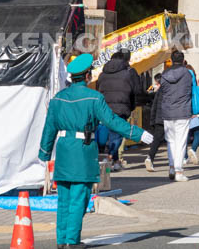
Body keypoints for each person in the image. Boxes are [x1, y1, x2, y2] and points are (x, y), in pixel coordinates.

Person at [39, 54, 153, 248]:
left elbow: (49, 128)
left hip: (64, 149)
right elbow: (112, 121)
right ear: (87, 76)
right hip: (82, 151)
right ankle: (72, 241)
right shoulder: (94, 97)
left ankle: (62, 240)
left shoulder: (58, 98)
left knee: (64, 198)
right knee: (79, 198)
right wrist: (137, 133)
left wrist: (44, 153)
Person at [95, 49, 143, 171]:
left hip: (104, 108)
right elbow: (136, 91)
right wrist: (132, 105)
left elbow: (98, 90)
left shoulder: (102, 74)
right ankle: (109, 158)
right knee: (117, 135)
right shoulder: (129, 72)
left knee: (112, 133)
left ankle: (116, 161)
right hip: (121, 106)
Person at [159, 50, 195, 182]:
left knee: (171, 141)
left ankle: (172, 167)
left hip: (167, 111)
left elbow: (162, 91)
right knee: (181, 142)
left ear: (172, 60)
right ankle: (179, 171)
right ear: (183, 60)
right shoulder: (187, 74)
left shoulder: (165, 74)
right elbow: (191, 90)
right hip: (182, 111)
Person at [144, 73, 166, 172]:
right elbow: (148, 94)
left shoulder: (159, 89)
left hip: (158, 117)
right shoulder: (156, 88)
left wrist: (152, 120)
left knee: (156, 139)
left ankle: (150, 157)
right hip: (166, 116)